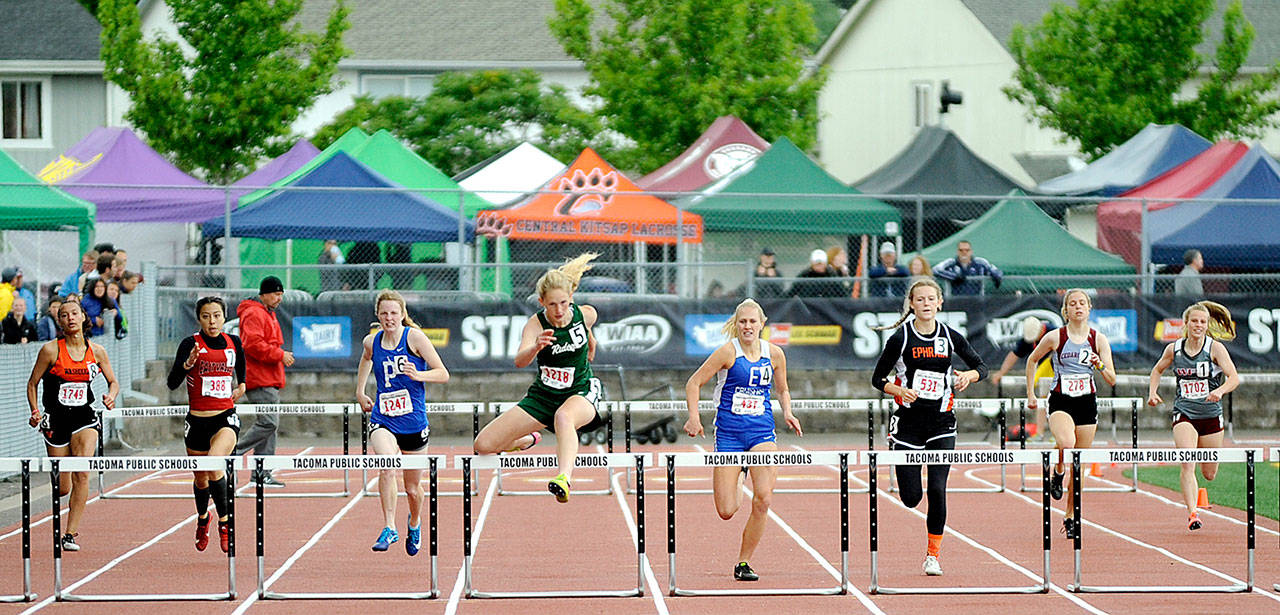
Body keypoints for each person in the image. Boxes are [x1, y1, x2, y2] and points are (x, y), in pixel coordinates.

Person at [870, 278, 987, 576]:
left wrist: (968, 377)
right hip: (908, 424)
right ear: (911, 304)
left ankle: (932, 556)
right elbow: (877, 379)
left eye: (930, 299)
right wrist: (898, 392)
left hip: (942, 422)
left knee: (937, 488)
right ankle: (903, 465)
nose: (925, 304)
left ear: (939, 303)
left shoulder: (950, 336)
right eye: (919, 299)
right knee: (911, 498)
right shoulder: (901, 338)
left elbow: (981, 367)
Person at [683, 298, 802, 582]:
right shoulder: (727, 352)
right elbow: (693, 383)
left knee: (763, 499)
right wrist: (694, 417)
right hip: (729, 434)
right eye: (743, 322)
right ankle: (738, 476)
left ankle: (744, 562)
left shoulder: (774, 354)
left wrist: (787, 411)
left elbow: (782, 389)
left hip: (762, 433)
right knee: (726, 510)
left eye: (753, 321)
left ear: (762, 324)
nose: (748, 326)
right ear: (736, 325)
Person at [472, 253, 605, 503]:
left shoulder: (586, 313)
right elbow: (519, 360)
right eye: (552, 305)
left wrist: (591, 340)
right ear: (542, 301)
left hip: (580, 392)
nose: (559, 310)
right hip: (544, 396)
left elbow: (588, 326)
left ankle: (563, 478)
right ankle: (525, 440)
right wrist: (536, 347)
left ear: (571, 299)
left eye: (564, 303)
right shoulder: (535, 324)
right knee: (483, 445)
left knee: (563, 417)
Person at [356, 290, 449, 553]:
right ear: (378, 315)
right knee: (387, 465)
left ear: (402, 314)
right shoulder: (372, 342)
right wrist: (360, 391)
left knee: (412, 488)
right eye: (384, 313)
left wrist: (419, 375)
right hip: (383, 419)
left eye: (394, 313)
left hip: (413, 422)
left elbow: (443, 373)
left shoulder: (415, 338)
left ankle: (414, 521)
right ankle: (390, 527)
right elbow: (365, 360)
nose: (389, 318)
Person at [26, 299, 120, 551]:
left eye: (74, 313)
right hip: (56, 420)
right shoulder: (50, 351)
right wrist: (35, 411)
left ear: (82, 317)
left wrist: (111, 396)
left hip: (84, 419)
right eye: (64, 315)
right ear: (60, 321)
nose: (70, 318)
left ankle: (69, 534)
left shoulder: (97, 351)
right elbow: (33, 383)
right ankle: (62, 492)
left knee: (82, 472)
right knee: (62, 488)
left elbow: (113, 381)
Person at [1024, 289, 1117, 539]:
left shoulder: (1099, 339)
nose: (1078, 307)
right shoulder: (1056, 337)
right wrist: (1031, 394)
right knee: (1067, 444)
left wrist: (1098, 363)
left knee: (1080, 463)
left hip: (1086, 402)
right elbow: (1032, 360)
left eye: (1082, 303)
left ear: (1089, 308)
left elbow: (1111, 378)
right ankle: (1058, 471)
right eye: (1073, 303)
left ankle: (1070, 515)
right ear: (1066, 310)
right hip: (1061, 399)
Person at [1147, 301, 1238, 531]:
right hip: (1184, 411)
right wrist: (1153, 392)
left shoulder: (1214, 348)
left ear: (1207, 325)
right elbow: (1157, 369)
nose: (1198, 325)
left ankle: (1196, 502)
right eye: (1194, 321)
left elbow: (1234, 378)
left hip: (1210, 415)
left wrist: (1218, 390)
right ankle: (1192, 513)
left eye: (1202, 322)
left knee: (1209, 474)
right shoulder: (1174, 349)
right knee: (1187, 462)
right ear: (1186, 324)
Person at [166, 297, 246, 553]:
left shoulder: (234, 342)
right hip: (197, 421)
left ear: (224, 317)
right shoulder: (191, 344)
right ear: (199, 318)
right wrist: (187, 365)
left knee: (214, 463)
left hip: (225, 418)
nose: (212, 321)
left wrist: (242, 384)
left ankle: (225, 523)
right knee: (201, 478)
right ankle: (203, 518)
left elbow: (241, 365)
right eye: (206, 316)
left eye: (217, 316)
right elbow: (171, 382)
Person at [233, 276, 295, 487]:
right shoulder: (254, 313)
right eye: (277, 294)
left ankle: (262, 473)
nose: (280, 298)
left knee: (270, 428)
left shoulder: (268, 313)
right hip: (259, 377)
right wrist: (279, 354)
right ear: (265, 294)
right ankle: (234, 451)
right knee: (269, 422)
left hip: (269, 378)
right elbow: (252, 344)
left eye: (281, 294)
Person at [990, 317, 1054, 438]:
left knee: (1058, 401)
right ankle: (1040, 433)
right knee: (1042, 400)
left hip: (1058, 368)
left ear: (1041, 330)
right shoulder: (1027, 340)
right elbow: (1014, 355)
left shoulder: (1053, 332)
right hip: (1044, 374)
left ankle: (1058, 434)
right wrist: (1001, 373)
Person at [932, 241, 1002, 296]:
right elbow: (935, 270)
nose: (964, 253)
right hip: (954, 299)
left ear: (971, 251)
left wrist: (996, 276)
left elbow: (995, 270)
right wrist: (954, 277)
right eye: (961, 250)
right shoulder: (951, 262)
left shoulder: (980, 262)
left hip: (976, 299)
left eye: (967, 250)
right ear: (957, 251)